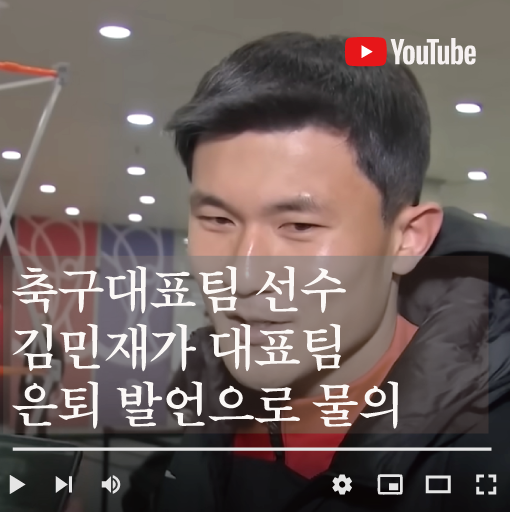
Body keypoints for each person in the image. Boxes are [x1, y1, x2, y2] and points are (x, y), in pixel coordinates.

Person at [124, 32, 510, 512]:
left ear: (406, 239)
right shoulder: (205, 418)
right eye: (218, 220)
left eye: (300, 226)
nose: (244, 275)